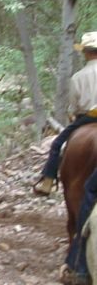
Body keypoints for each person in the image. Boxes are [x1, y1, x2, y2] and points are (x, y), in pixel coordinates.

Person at [34, 32, 97, 196]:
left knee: (57, 145)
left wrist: (73, 114)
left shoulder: (78, 77)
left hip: (87, 117)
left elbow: (74, 106)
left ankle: (48, 181)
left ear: (85, 52)